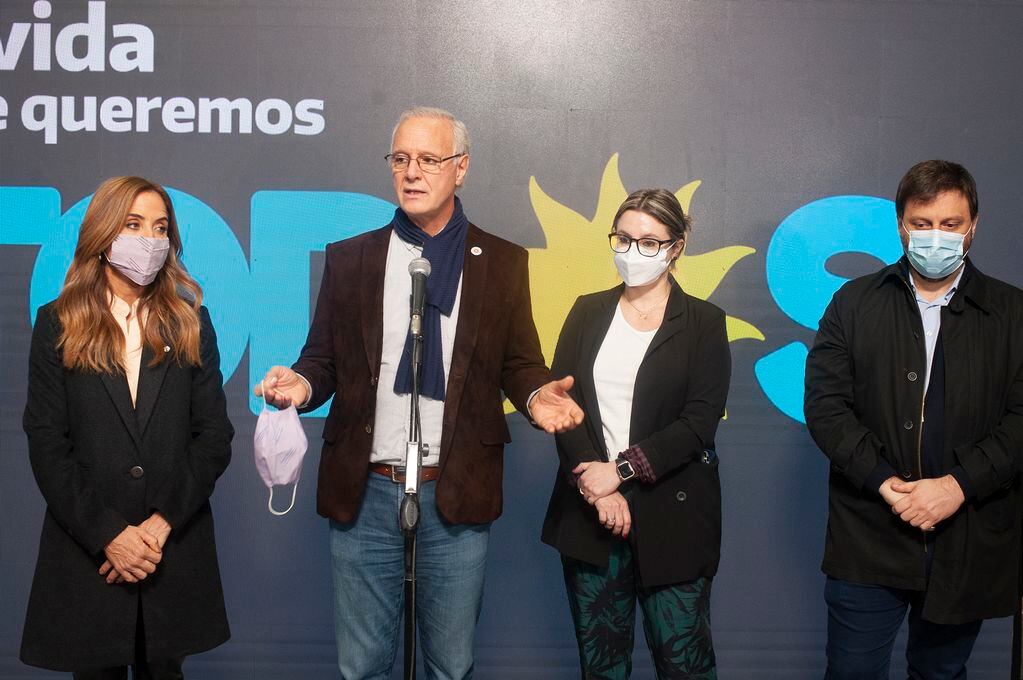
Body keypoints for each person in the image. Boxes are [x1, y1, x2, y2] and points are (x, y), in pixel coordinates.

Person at [256, 106, 583, 679]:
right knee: (362, 667)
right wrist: (300, 385)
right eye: (400, 159)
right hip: (367, 491)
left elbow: (519, 363)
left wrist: (535, 397)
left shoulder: (502, 262)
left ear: (461, 169)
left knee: (450, 666)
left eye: (428, 160)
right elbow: (323, 359)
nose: (412, 172)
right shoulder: (351, 257)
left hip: (454, 490)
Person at [804, 160, 1023, 679]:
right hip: (869, 534)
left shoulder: (1012, 313)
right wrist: (885, 482)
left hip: (966, 538)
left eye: (950, 224)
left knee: (941, 674)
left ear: (973, 226)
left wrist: (957, 486)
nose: (935, 237)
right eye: (922, 224)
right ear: (901, 224)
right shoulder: (854, 303)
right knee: (852, 672)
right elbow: (826, 406)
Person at [21, 176, 234, 678]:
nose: (149, 240)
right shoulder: (57, 323)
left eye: (160, 228)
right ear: (103, 233)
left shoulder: (191, 322)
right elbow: (48, 444)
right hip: (91, 556)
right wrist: (111, 535)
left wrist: (157, 528)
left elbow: (214, 438)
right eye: (134, 224)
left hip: (171, 556)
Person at [541, 188, 731, 679]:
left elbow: (699, 422)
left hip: (675, 518)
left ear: (677, 246)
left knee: (686, 667)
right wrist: (596, 485)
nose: (632, 252)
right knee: (601, 668)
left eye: (649, 242)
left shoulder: (704, 323)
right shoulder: (586, 311)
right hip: (590, 518)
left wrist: (621, 471)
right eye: (623, 239)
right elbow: (563, 403)